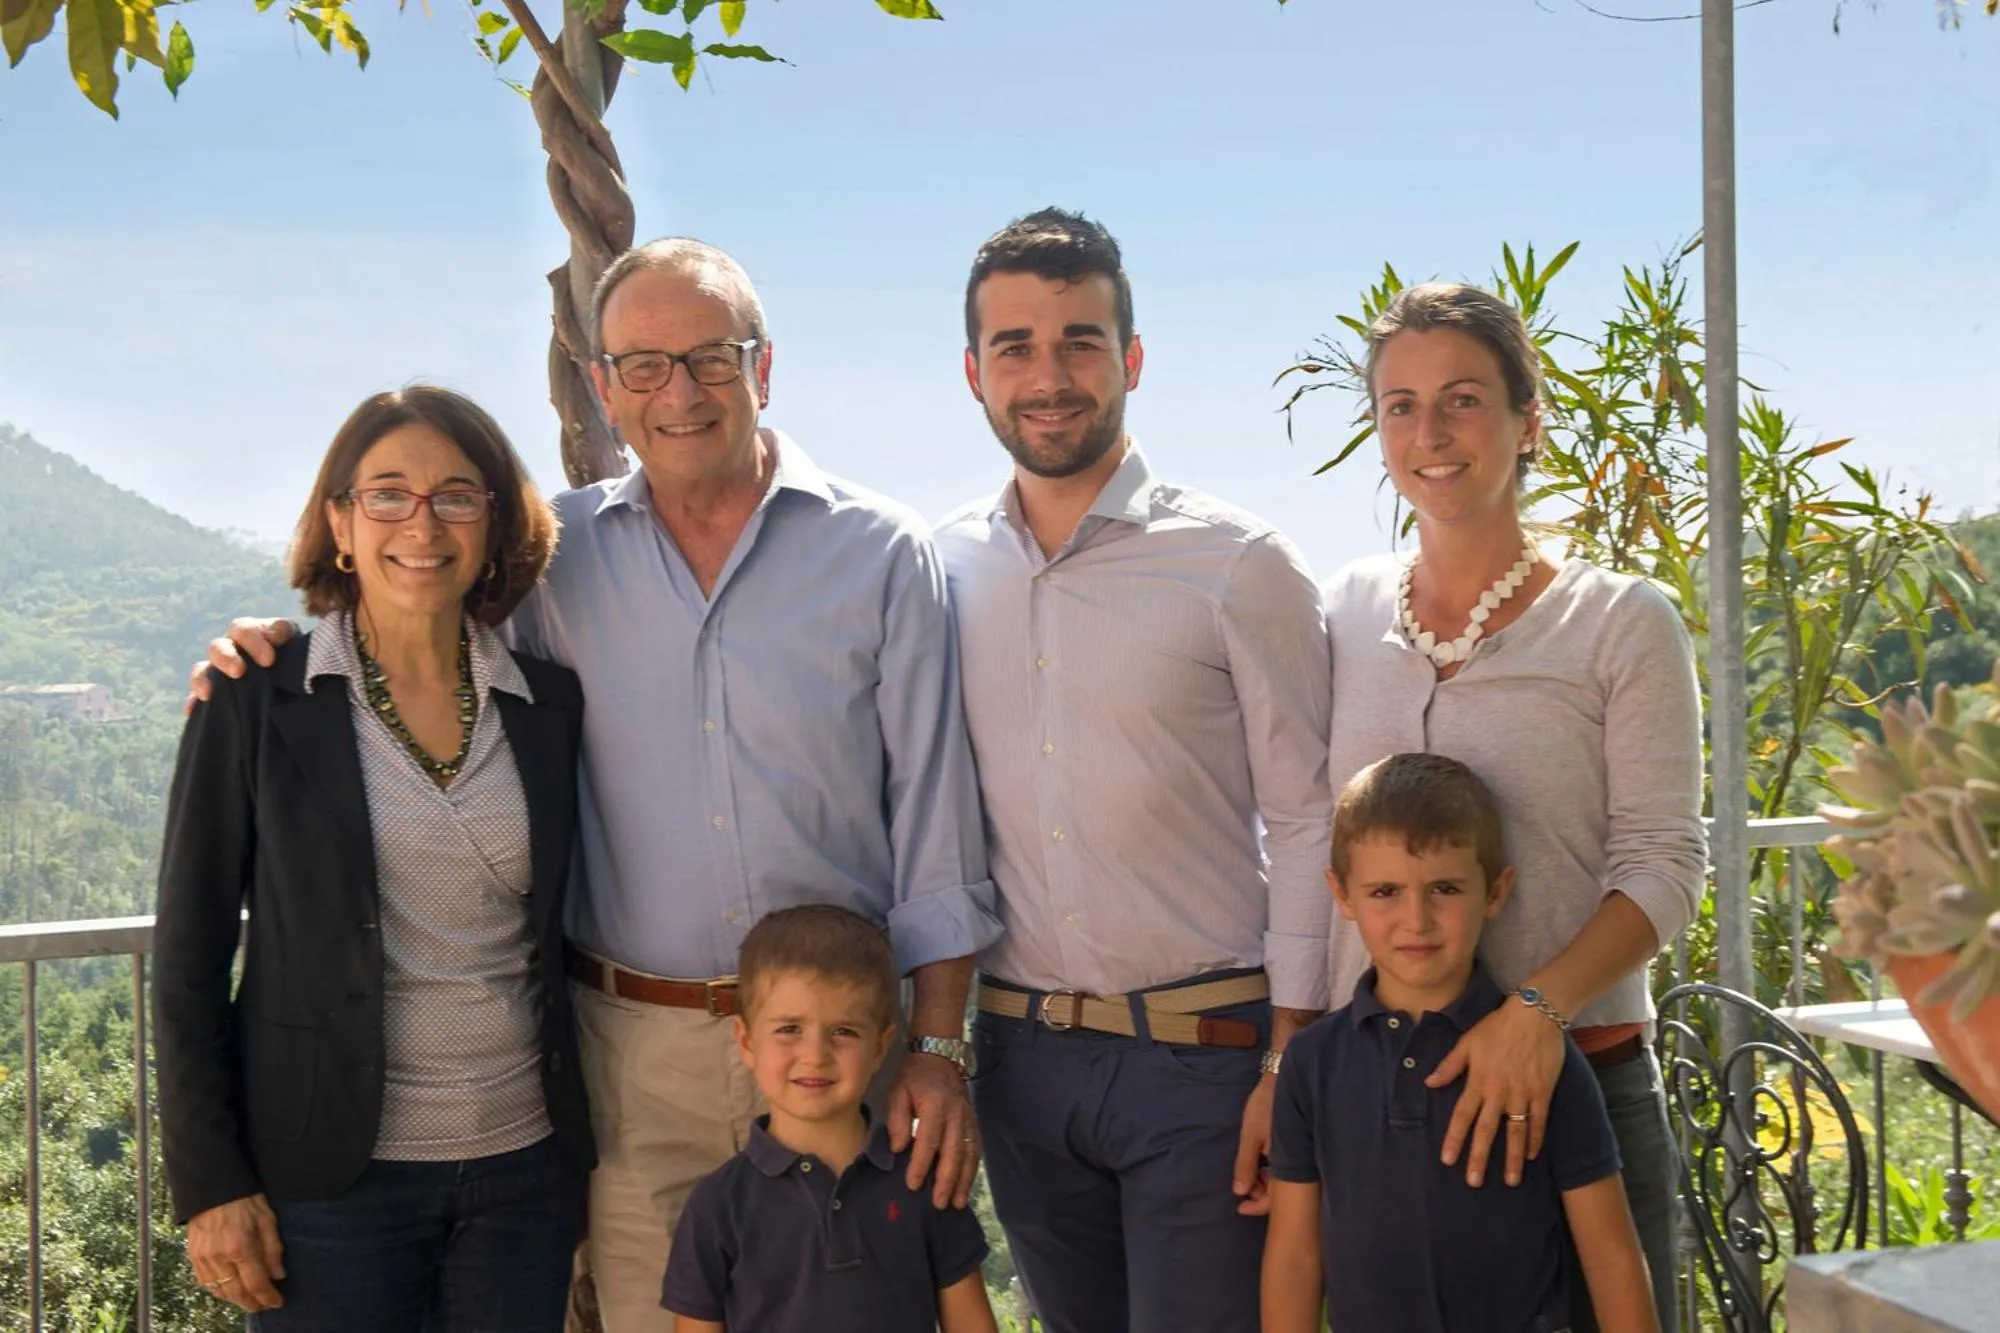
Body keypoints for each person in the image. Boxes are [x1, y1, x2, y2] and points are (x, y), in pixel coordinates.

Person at [190, 238, 1003, 1333]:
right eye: (642, 366)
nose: (679, 392)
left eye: (711, 360)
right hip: (630, 1062)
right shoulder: (552, 558)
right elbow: (410, 617)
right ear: (603, 389)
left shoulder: (880, 552)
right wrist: (269, 648)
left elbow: (935, 830)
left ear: (763, 369)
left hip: (838, 1052)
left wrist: (940, 1050)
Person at [936, 208, 1333, 1333]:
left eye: (1079, 340)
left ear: (1132, 359)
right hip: (1018, 1063)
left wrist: (1287, 1063)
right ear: (973, 372)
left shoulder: (1236, 564)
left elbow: (1308, 823)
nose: (1047, 374)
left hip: (1204, 1063)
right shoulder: (942, 566)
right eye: (1014, 344)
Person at [154, 386, 595, 1331]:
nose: (421, 523)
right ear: (340, 524)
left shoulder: (549, 707)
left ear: (492, 522)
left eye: (456, 495)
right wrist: (208, 1182)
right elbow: (186, 961)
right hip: (327, 1184)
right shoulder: (257, 699)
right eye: (387, 494)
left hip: (525, 1171)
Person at [1321, 282, 1705, 1331]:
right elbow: (1323, 850)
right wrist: (1295, 1068)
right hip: (1388, 1102)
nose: (1428, 433)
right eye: (1398, 405)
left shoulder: (1621, 621)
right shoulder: (1346, 609)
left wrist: (1532, 1011)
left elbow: (1664, 865)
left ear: (1528, 419)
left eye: (1461, 400)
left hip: (1577, 1079)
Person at [1262, 752, 1658, 1333]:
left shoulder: (1541, 1061)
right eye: (1385, 892)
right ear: (1342, 895)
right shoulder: (1312, 1062)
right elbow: (1295, 1257)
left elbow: (1612, 1257)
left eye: (1444, 888)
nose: (1416, 919)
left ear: (1495, 892)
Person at [662, 905, 997, 1333]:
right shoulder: (718, 1206)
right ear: (746, 1042)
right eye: (789, 1029)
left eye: (843, 1031)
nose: (815, 1055)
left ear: (880, 1047)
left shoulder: (921, 1181)